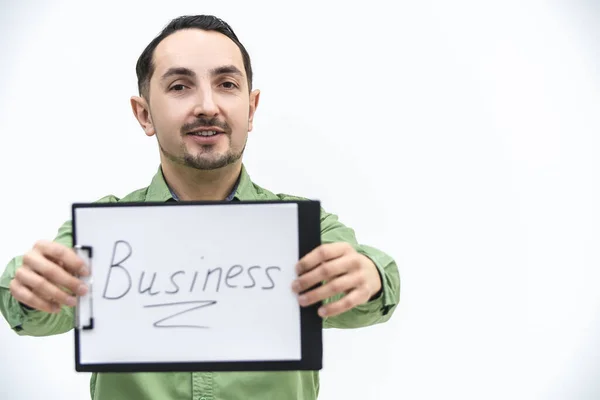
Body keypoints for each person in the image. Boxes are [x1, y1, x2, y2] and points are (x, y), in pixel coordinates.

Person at [0, 14, 400, 400]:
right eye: (179, 87)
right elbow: (34, 313)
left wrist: (369, 276)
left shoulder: (302, 229)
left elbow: (366, 294)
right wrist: (29, 287)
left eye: (227, 84)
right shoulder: (102, 230)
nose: (207, 106)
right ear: (144, 114)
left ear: (251, 108)